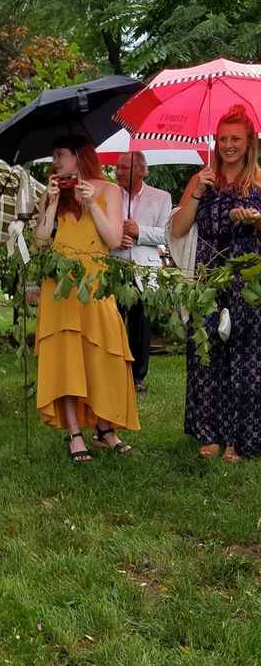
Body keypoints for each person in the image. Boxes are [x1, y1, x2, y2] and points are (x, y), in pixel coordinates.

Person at [34, 137, 139, 462]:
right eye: (54, 155)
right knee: (67, 358)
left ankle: (105, 429)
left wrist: (92, 203)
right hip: (61, 286)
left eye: (60, 154)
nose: (55, 161)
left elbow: (113, 240)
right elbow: (40, 242)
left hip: (96, 285)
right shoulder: (54, 192)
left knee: (103, 354)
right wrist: (50, 204)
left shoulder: (108, 191)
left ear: (79, 156)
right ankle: (74, 434)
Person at [171, 104, 261, 462]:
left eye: (235, 139)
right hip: (207, 277)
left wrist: (256, 221)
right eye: (222, 138)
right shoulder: (202, 178)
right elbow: (178, 229)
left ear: (249, 142)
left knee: (244, 357)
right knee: (206, 353)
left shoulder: (258, 181)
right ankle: (209, 434)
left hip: (245, 279)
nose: (228, 145)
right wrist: (197, 192)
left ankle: (238, 438)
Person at [113, 152, 173, 393]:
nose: (118, 172)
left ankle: (137, 377)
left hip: (145, 269)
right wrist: (116, 238)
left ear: (141, 171)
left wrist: (138, 232)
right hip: (114, 265)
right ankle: (113, 372)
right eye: (117, 167)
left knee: (141, 324)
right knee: (113, 321)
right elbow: (99, 227)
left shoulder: (161, 197)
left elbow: (167, 234)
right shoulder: (109, 194)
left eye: (124, 168)